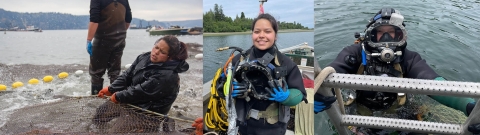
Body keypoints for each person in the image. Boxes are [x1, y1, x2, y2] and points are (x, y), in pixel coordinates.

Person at [313, 8, 478, 134]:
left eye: (392, 33)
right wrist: (319, 92)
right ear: (370, 36)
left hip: (399, 108)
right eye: (381, 33)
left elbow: (431, 80)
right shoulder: (354, 53)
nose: (387, 39)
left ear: (401, 36)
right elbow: (331, 72)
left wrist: (470, 106)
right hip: (361, 108)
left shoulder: (409, 58)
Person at [222, 13, 306, 135]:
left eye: (267, 31)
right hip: (244, 125)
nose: (261, 36)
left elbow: (300, 93)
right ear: (252, 34)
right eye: (257, 32)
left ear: (275, 35)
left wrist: (287, 97)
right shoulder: (238, 60)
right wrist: (228, 89)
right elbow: (221, 83)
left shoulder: (286, 63)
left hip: (274, 127)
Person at [95, 35, 189, 132]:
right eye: (156, 47)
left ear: (170, 57)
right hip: (131, 101)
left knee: (114, 133)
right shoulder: (143, 57)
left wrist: (118, 96)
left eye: (162, 52)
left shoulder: (168, 76)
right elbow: (127, 75)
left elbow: (141, 92)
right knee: (100, 115)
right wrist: (111, 89)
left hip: (146, 113)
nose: (156, 52)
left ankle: (147, 129)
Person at [87, 0, 132, 95]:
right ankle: (115, 99)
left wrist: (89, 40)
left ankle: (96, 98)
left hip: (102, 41)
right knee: (115, 72)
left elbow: (94, 20)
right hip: (120, 40)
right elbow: (128, 20)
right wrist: (119, 33)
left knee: (96, 73)